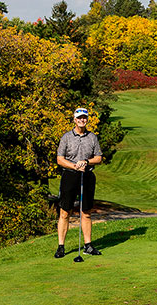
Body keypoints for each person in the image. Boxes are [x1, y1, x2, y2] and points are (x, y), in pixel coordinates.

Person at [54, 107, 103, 258]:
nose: (82, 120)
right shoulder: (66, 137)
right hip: (70, 175)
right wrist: (74, 165)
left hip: (87, 175)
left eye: (84, 118)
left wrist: (86, 162)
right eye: (79, 118)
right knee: (64, 212)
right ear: (74, 120)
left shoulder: (92, 137)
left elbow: (99, 158)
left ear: (87, 119)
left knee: (86, 212)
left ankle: (88, 245)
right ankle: (61, 246)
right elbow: (60, 159)